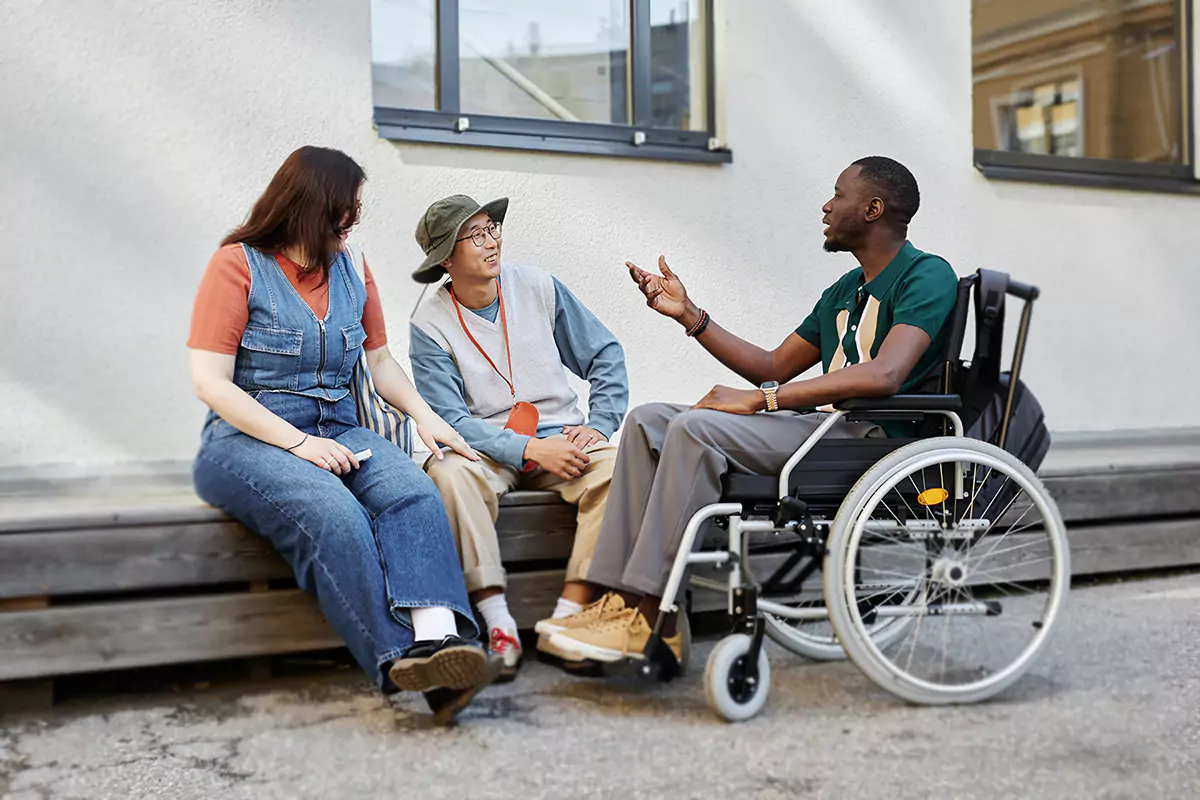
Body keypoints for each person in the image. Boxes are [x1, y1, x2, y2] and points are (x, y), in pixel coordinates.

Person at [546, 156, 959, 666]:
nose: (826, 206)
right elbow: (773, 365)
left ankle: (648, 608)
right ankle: (619, 598)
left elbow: (885, 374)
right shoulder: (843, 292)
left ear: (873, 209)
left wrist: (764, 400)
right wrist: (690, 315)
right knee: (649, 420)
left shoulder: (927, 275)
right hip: (821, 431)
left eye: (838, 194)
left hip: (873, 441)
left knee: (696, 429)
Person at [189, 147, 495, 724]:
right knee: (335, 514)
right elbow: (210, 382)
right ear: (308, 206)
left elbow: (379, 363)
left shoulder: (354, 269)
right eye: (344, 207)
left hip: (339, 428)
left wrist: (426, 417)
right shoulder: (237, 265)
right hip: (244, 440)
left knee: (413, 492)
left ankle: (441, 645)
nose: (353, 219)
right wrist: (300, 445)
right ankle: (400, 657)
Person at [408, 195, 629, 679]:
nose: (492, 242)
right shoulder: (429, 324)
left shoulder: (538, 287)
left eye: (492, 228)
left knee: (619, 469)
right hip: (483, 448)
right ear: (446, 260)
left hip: (561, 437)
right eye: (475, 236)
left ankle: (568, 618)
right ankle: (498, 625)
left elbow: (605, 354)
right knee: (447, 472)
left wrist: (599, 424)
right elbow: (449, 420)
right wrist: (527, 448)